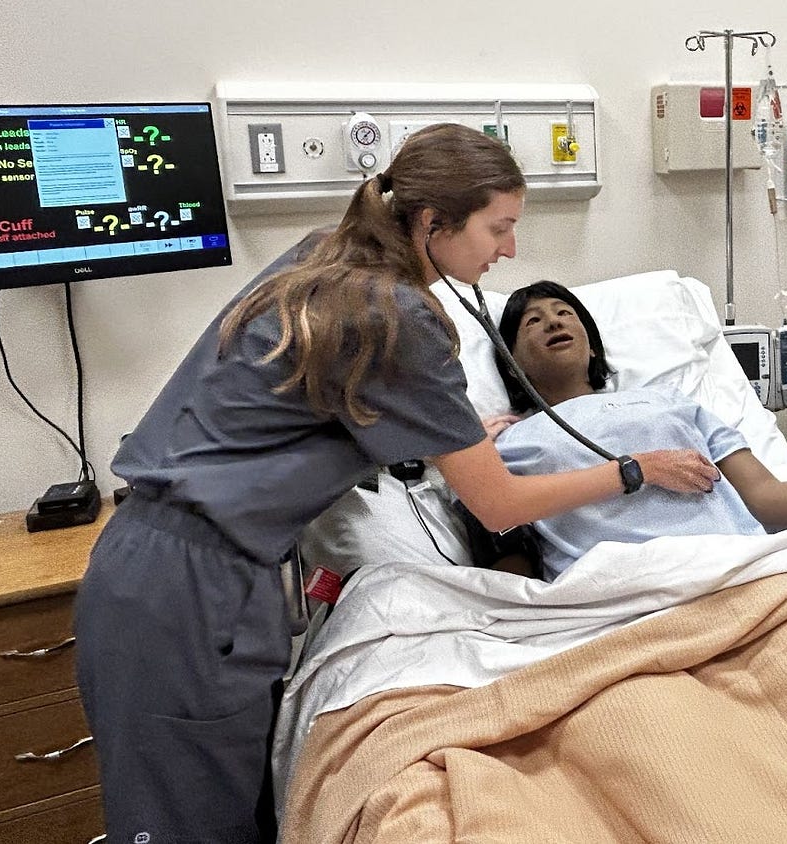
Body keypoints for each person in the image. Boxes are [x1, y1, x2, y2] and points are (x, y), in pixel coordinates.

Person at [71, 124, 719, 844]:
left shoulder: (327, 256)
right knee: (190, 825)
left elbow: (315, 404)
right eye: (498, 228)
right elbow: (497, 505)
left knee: (225, 813)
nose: (509, 250)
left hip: (170, 569)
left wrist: (447, 434)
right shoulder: (398, 317)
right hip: (188, 593)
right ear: (432, 222)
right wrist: (634, 470)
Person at [482, 280, 787, 579]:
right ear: (511, 361)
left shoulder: (669, 403)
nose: (554, 322)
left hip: (735, 573)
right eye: (533, 322)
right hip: (618, 596)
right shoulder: (508, 443)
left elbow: (766, 498)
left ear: (594, 348)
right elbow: (505, 550)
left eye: (565, 313)